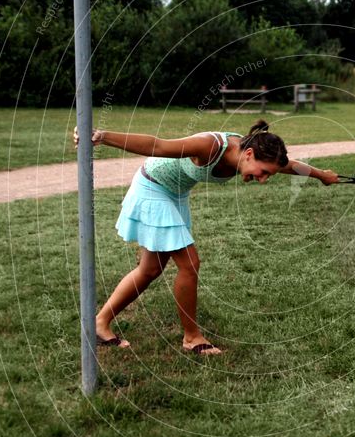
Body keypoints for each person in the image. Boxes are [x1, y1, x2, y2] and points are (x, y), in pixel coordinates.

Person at [74, 120, 339, 355]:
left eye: (268, 174)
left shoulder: (253, 155)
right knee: (189, 264)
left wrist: (322, 176)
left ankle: (100, 323)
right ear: (248, 154)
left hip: (175, 195)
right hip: (153, 188)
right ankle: (191, 337)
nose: (263, 180)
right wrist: (101, 136)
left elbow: (289, 166)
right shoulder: (210, 147)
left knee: (150, 269)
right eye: (264, 172)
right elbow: (158, 145)